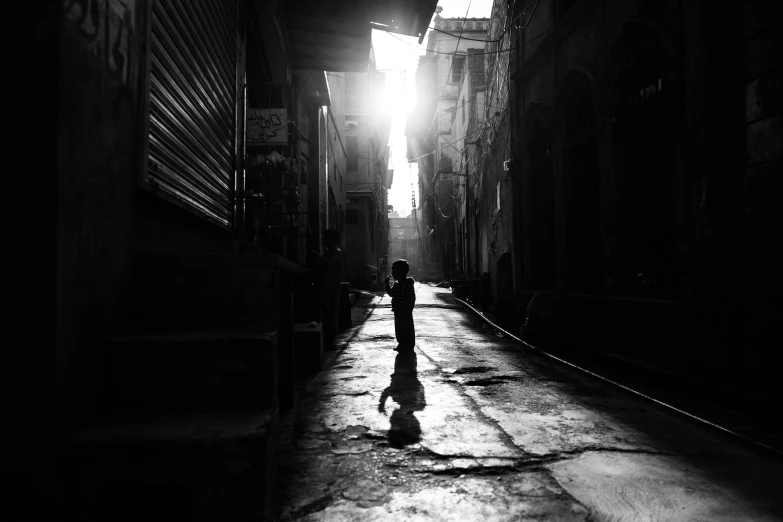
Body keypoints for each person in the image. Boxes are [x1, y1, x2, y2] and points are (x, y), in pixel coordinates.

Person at [310, 229, 344, 344]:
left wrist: (317, 256)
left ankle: (331, 340)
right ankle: (328, 338)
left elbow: (328, 262)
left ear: (334, 239)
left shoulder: (337, 252)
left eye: (327, 237)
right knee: (326, 313)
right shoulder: (327, 252)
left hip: (332, 288)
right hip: (325, 288)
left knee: (332, 314)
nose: (324, 240)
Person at [385, 259, 416, 352]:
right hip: (398, 310)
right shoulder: (396, 285)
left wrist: (409, 308)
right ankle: (401, 343)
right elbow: (391, 293)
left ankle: (409, 344)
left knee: (407, 327)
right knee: (399, 328)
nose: (392, 273)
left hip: (405, 310)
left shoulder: (408, 284)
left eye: (394, 271)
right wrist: (387, 285)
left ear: (401, 272)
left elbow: (412, 298)